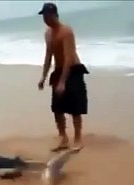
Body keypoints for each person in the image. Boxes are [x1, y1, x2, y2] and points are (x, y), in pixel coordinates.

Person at [37, 2, 89, 152]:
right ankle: (63, 138)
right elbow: (48, 56)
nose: (45, 19)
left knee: (75, 108)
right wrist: (43, 77)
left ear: (54, 15)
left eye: (47, 15)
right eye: (43, 16)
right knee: (57, 108)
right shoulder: (48, 34)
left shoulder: (66, 32)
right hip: (59, 70)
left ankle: (78, 139)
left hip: (72, 70)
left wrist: (62, 82)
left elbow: (69, 57)